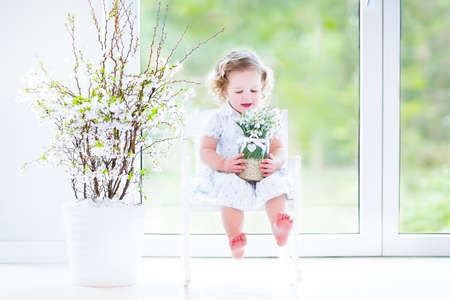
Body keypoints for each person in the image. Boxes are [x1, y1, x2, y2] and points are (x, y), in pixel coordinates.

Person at [196, 49, 293, 259]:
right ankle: (235, 237)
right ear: (224, 90)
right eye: (239, 92)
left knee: (275, 185)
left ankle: (278, 226)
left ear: (263, 87)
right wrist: (223, 163)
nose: (247, 96)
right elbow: (205, 150)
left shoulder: (266, 116)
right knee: (231, 193)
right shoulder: (220, 118)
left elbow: (279, 148)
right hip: (232, 172)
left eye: (254, 90)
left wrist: (275, 162)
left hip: (263, 171)